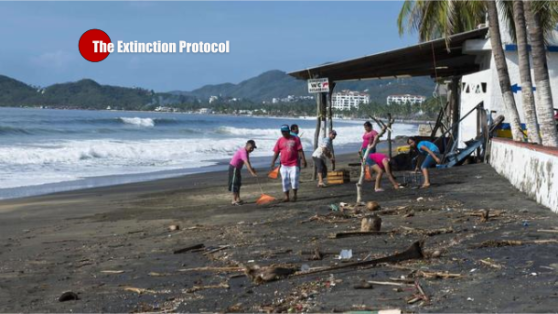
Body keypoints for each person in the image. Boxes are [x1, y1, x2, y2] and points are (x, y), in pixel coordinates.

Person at [271, 125, 307, 202]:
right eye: (282, 132)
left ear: (288, 131)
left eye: (285, 131)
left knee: (294, 179)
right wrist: (273, 161)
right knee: (285, 180)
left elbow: (300, 150)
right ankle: (286, 196)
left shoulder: (296, 139)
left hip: (294, 163)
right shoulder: (280, 140)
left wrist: (304, 160)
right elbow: (276, 152)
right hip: (283, 164)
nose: (284, 133)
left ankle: (295, 195)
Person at [228, 140, 258, 205]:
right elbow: (246, 163)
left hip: (237, 168)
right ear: (247, 145)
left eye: (253, 148)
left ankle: (238, 199)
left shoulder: (247, 152)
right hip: (234, 168)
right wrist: (251, 172)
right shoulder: (243, 152)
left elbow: (248, 162)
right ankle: (233, 200)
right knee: (235, 183)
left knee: (238, 183)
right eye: (251, 147)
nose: (252, 149)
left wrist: (252, 169)